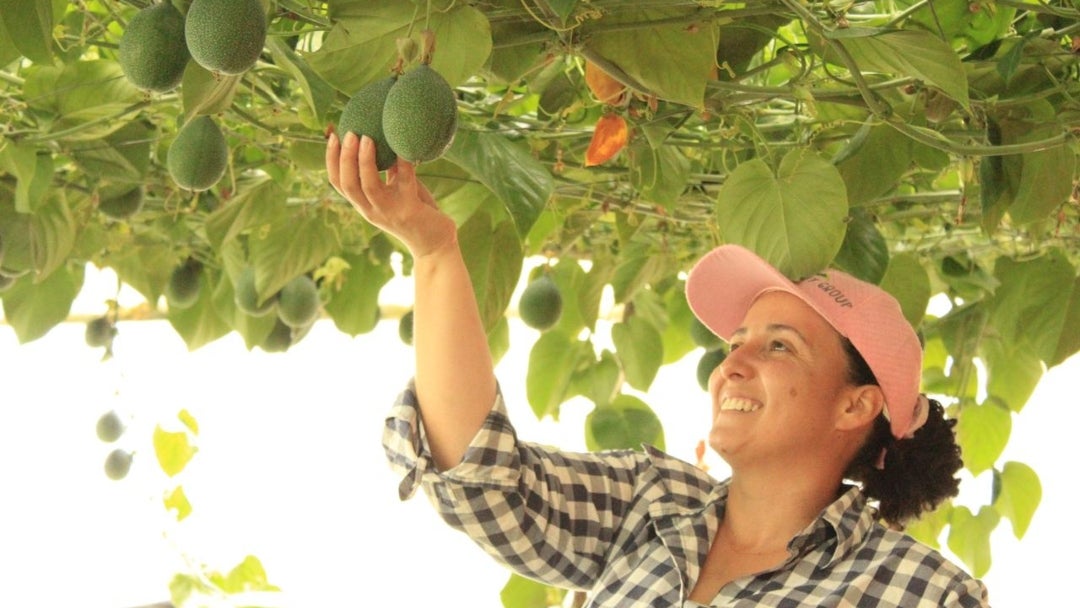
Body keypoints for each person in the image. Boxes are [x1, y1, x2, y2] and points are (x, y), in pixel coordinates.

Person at [326, 130, 991, 607]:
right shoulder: (652, 505)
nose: (732, 364)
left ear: (856, 405)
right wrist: (437, 253)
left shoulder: (924, 593)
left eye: (779, 346)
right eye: (737, 340)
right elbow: (481, 478)